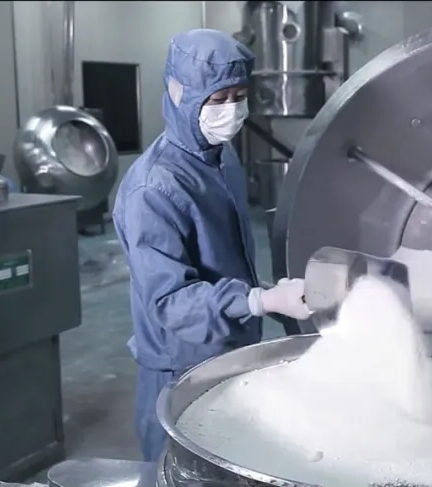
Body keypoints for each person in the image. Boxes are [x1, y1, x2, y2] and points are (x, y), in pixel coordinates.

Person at [112, 29, 312, 462]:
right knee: (178, 471)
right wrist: (257, 301)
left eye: (240, 96)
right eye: (219, 99)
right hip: (181, 365)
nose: (232, 110)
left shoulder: (221, 157)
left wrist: (266, 297)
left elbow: (222, 258)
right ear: (179, 93)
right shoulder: (154, 189)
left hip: (230, 349)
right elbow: (170, 302)